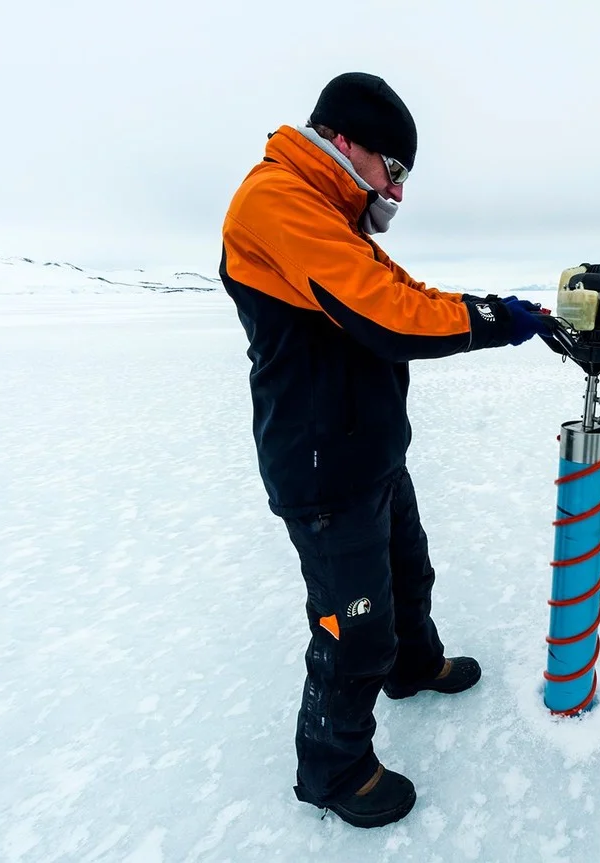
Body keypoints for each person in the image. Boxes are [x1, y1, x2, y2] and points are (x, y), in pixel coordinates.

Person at [219, 72, 551, 828]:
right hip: (320, 465)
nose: (396, 191)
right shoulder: (276, 200)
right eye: (392, 170)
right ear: (346, 143)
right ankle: (333, 768)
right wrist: (490, 325)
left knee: (408, 570)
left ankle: (413, 663)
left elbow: (403, 290)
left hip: (366, 448)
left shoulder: (330, 217)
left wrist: (493, 310)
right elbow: (389, 316)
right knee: (352, 622)